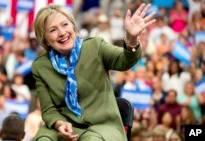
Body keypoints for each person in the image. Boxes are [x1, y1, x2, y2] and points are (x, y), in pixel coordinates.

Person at [32, 3, 155, 141]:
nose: (62, 32)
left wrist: (132, 38)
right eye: (53, 30)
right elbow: (48, 110)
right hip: (65, 127)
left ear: (73, 26)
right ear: (45, 39)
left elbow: (125, 60)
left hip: (102, 127)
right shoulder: (40, 66)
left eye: (65, 25)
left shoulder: (95, 46)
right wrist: (59, 124)